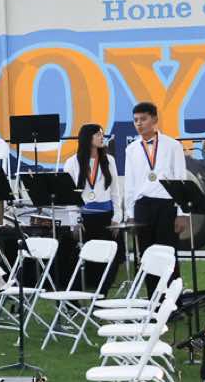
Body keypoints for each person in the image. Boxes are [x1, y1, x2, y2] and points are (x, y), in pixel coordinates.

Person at [122, 101, 186, 256]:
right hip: (142, 206)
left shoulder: (173, 145)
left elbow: (181, 179)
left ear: (155, 119)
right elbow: (130, 183)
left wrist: (182, 213)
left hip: (166, 206)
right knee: (146, 254)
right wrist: (130, 214)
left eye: (143, 119)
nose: (139, 123)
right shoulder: (131, 149)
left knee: (167, 253)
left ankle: (170, 274)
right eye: (136, 120)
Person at [72, 122, 125, 281]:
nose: (102, 137)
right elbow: (70, 197)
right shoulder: (72, 162)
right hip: (85, 218)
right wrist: (75, 220)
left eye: (102, 134)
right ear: (87, 138)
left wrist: (117, 217)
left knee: (110, 255)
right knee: (89, 256)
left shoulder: (109, 160)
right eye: (98, 134)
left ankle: (105, 284)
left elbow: (115, 191)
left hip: (106, 217)